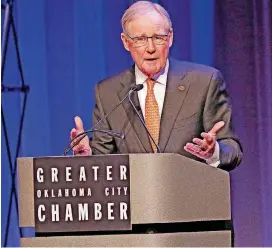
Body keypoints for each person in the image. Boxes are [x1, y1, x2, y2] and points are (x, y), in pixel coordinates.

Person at [70, 1, 242, 171]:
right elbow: (104, 160)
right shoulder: (108, 92)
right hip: (135, 198)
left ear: (170, 38)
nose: (150, 48)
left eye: (158, 38)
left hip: (191, 194)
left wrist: (213, 152)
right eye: (140, 39)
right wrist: (87, 157)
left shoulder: (204, 82)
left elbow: (232, 149)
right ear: (125, 42)